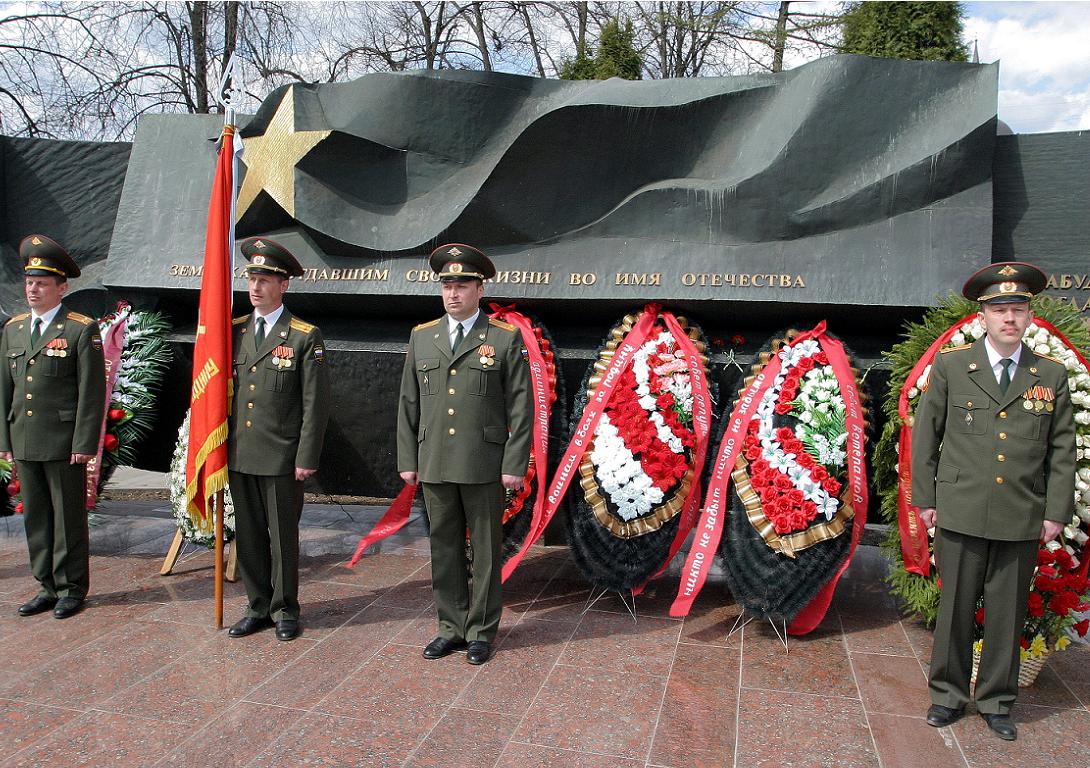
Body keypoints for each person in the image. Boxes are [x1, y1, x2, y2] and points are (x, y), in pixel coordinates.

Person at [912, 261, 1076, 741]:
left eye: (1018, 309)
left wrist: (1055, 512)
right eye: (1000, 309)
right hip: (961, 506)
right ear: (982, 316)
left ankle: (997, 700)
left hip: (1020, 512)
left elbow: (1062, 449)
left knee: (1007, 613)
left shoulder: (1049, 374)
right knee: (955, 608)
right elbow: (927, 438)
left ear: (1029, 316)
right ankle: (947, 695)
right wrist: (926, 499)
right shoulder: (952, 367)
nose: (1009, 317)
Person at [397, 243, 532, 665]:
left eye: (462, 285)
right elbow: (408, 403)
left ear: (479, 289)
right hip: (435, 460)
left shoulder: (503, 338)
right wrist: (408, 460)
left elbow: (521, 406)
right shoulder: (423, 337)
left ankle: (481, 630)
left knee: (487, 551)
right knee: (444, 547)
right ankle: (450, 627)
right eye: (447, 286)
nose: (453, 293)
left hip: (482, 462)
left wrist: (514, 463)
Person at [226, 237, 330, 642]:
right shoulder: (234, 330)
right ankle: (257, 605)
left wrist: (306, 456)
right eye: (252, 278)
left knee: (282, 537)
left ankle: (285, 608)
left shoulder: (304, 336)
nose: (255, 286)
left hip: (282, 454)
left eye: (265, 279)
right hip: (240, 451)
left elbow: (315, 403)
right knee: (249, 534)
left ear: (283, 285)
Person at [0, 234, 106, 619]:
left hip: (64, 441)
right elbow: (4, 389)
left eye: (42, 283)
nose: (33, 289)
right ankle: (45, 585)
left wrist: (84, 442)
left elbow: (91, 392)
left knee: (67, 518)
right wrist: (4, 440)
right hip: (25, 438)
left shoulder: (78, 329)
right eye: (30, 282)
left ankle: (71, 587)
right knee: (36, 517)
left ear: (62, 288)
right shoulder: (13, 329)